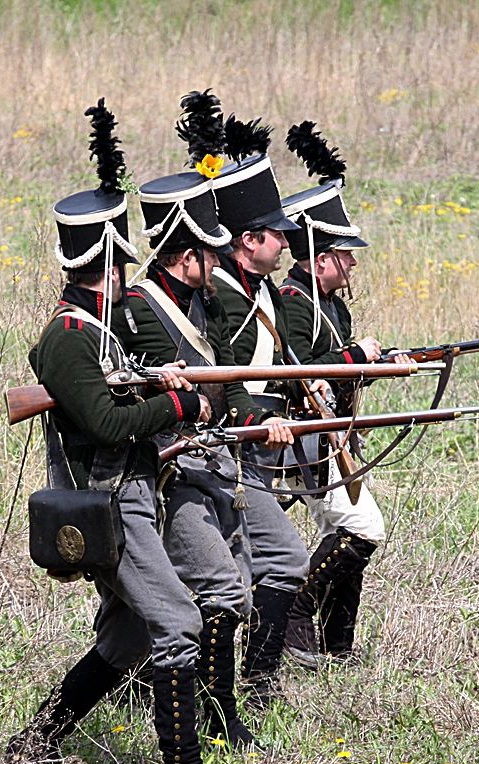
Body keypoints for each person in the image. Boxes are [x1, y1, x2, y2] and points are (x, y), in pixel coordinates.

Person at [7, 100, 221, 764]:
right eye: (121, 263)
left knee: (129, 638)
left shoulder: (100, 332)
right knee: (179, 621)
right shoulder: (68, 338)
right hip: (106, 502)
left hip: (133, 493)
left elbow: (120, 397)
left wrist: (158, 381)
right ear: (109, 263)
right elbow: (103, 421)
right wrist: (180, 404)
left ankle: (36, 740)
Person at [113, 90, 295, 742]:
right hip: (165, 473)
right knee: (218, 591)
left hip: (212, 461)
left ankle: (210, 713)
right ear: (186, 254)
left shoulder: (202, 302)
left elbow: (227, 381)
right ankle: (214, 724)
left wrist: (253, 418)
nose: (217, 263)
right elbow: (124, 396)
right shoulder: (136, 309)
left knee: (229, 588)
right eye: (209, 252)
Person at [278, 121, 389, 668]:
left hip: (332, 437)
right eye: (344, 254)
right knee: (364, 529)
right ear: (319, 256)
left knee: (343, 531)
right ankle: (294, 614)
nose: (352, 262)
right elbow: (296, 372)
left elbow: (338, 369)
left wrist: (382, 365)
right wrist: (355, 359)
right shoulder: (293, 301)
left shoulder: (332, 305)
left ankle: (337, 646)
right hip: (304, 440)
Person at [210, 114, 313, 704]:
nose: (286, 243)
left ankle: (246, 682)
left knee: (251, 568)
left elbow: (292, 360)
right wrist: (253, 421)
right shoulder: (219, 295)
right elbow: (222, 378)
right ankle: (248, 685)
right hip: (231, 443)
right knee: (271, 564)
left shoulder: (264, 290)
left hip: (260, 442)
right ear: (249, 240)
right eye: (277, 234)